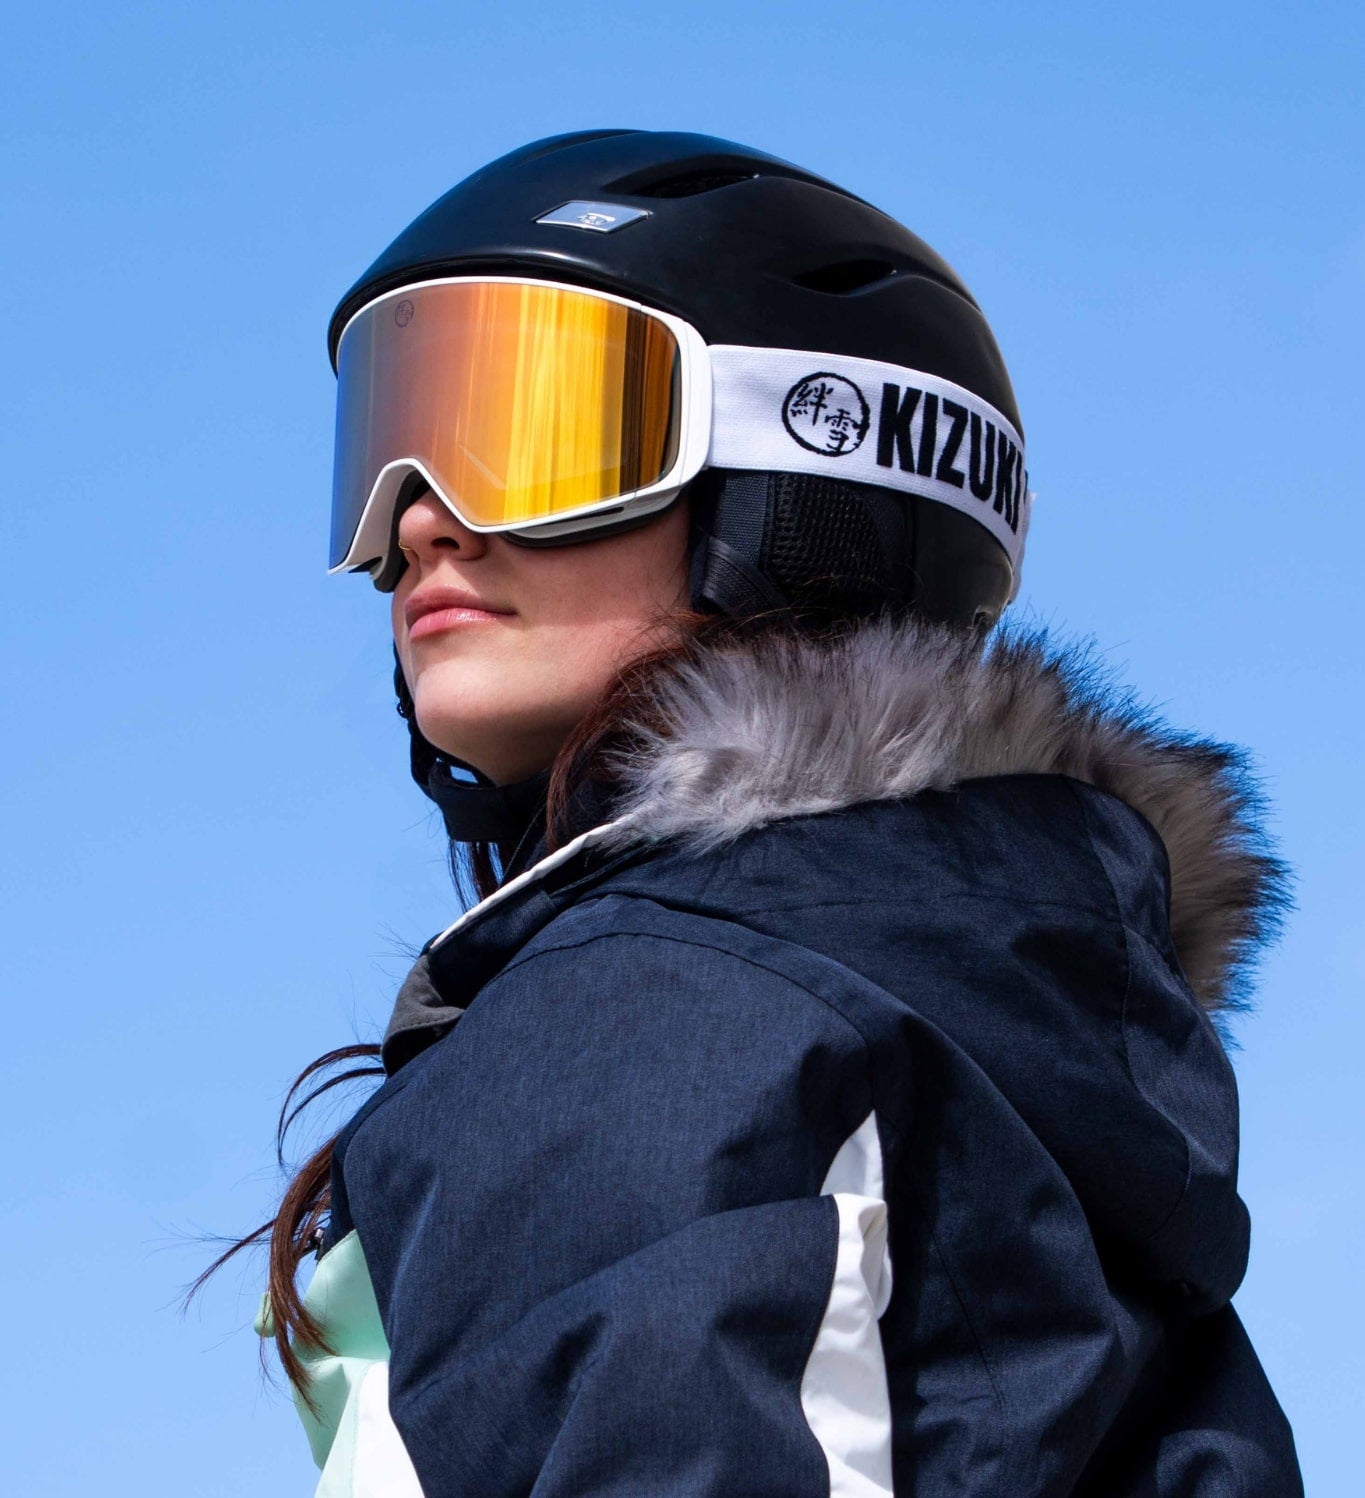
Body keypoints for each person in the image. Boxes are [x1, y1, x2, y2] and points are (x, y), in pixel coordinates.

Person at [230, 131, 1304, 1494]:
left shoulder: (659, 1013)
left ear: (803, 477)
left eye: (535, 432)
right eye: (386, 452)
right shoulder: (1002, 1022)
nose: (424, 521)